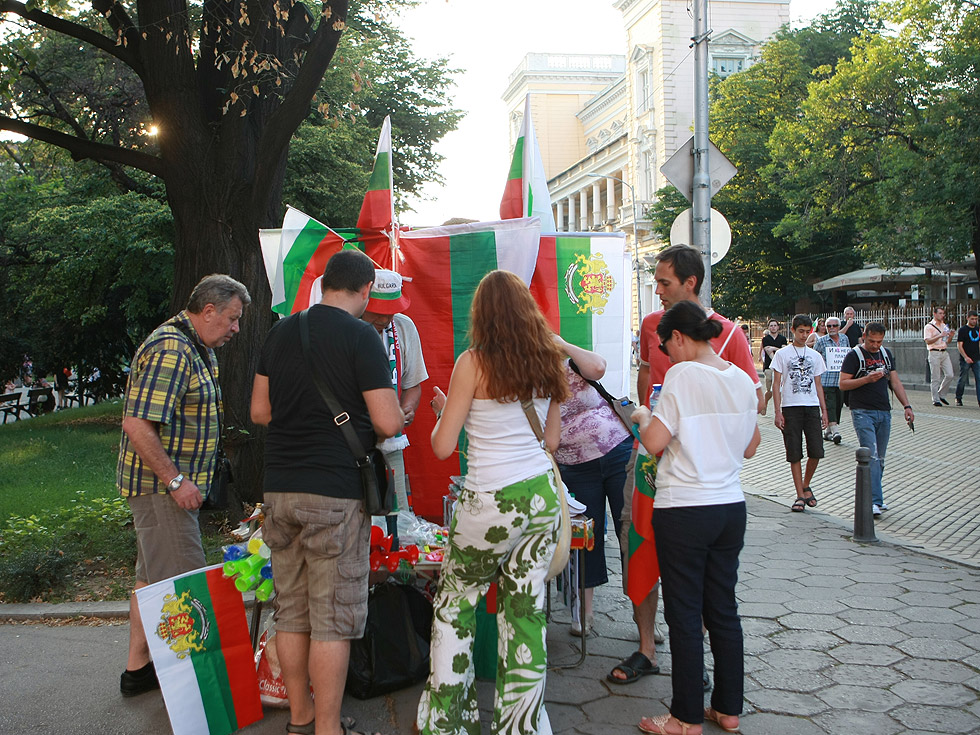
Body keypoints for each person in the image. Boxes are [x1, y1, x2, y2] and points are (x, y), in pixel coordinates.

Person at [251, 249, 403, 735]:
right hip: (334, 491)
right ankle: (329, 729)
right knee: (333, 617)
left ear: (322, 284)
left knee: (291, 611)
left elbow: (259, 411)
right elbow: (385, 420)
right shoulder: (362, 337)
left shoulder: (280, 331)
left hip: (278, 488)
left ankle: (301, 718)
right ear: (363, 291)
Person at [417, 269, 568, 735]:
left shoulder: (472, 363)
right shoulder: (548, 360)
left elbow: (442, 447)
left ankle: (447, 723)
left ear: (481, 315)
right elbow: (553, 440)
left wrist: (447, 414)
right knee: (526, 611)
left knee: (454, 604)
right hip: (539, 497)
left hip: (490, 502)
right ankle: (522, 726)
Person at [611, 244, 761, 688]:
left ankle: (691, 683)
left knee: (690, 587)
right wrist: (645, 409)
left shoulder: (729, 337)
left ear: (690, 283)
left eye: (664, 282)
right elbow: (646, 379)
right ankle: (647, 647)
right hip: (671, 474)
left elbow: (745, 417)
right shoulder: (653, 327)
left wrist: (646, 421)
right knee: (638, 547)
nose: (657, 291)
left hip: (688, 480)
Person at [630, 301, 760, 735]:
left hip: (685, 507)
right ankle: (727, 707)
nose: (667, 357)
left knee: (684, 613)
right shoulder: (740, 378)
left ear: (679, 337)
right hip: (730, 507)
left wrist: (643, 415)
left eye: (666, 348)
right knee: (722, 607)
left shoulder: (683, 376)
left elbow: (654, 441)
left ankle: (685, 718)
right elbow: (751, 446)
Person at [117, 274, 250, 697]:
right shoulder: (173, 350)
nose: (235, 328)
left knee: (150, 580)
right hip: (161, 490)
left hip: (163, 488)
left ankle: (138, 671)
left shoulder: (196, 346)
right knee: (187, 586)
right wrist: (176, 481)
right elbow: (137, 423)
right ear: (207, 310)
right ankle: (201, 693)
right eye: (231, 318)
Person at [553, 334, 632, 636]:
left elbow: (598, 367)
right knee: (584, 538)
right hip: (574, 466)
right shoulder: (525, 379)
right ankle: (583, 613)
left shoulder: (571, 363)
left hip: (618, 451)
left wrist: (563, 344)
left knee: (631, 531)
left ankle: (643, 613)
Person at [360, 269, 428, 530]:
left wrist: (407, 409)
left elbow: (413, 385)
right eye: (379, 310)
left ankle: (395, 564)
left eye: (391, 310)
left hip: (391, 442)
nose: (385, 318)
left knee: (396, 516)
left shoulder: (403, 326)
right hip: (354, 441)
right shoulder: (348, 328)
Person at [839, 323, 915, 517]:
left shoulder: (886, 354)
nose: (874, 345)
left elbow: (895, 382)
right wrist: (866, 379)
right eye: (871, 341)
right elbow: (843, 384)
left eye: (879, 341)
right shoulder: (854, 356)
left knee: (879, 459)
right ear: (864, 336)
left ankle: (875, 499)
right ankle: (872, 501)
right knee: (870, 457)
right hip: (862, 411)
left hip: (884, 411)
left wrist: (907, 406)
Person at [771, 314, 829, 513]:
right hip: (791, 407)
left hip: (811, 405)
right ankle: (799, 494)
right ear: (793, 331)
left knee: (816, 450)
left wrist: (824, 411)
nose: (804, 335)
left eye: (807, 332)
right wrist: (777, 412)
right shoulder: (782, 354)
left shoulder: (815, 356)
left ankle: (806, 485)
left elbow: (819, 384)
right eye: (801, 331)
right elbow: (776, 383)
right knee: (794, 451)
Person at [814, 316, 850, 443]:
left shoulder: (845, 339)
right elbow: (815, 357)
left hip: (840, 379)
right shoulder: (821, 341)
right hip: (826, 379)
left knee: (838, 404)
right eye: (829, 326)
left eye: (834, 326)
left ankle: (827, 431)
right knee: (829, 405)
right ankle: (835, 431)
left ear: (839, 327)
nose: (831, 328)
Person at [924, 305, 954, 406]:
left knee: (950, 374)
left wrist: (950, 336)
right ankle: (935, 399)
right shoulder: (929, 326)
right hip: (934, 352)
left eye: (943, 313)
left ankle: (941, 394)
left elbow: (947, 341)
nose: (942, 315)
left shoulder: (944, 325)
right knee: (935, 377)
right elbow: (928, 341)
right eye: (940, 313)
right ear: (935, 314)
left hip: (944, 352)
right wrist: (939, 335)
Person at [760, 318, 787, 416]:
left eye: (775, 325)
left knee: (779, 390)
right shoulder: (765, 339)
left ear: (778, 327)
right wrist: (777, 357)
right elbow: (768, 350)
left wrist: (774, 348)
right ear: (768, 327)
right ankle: (765, 402)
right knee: (769, 390)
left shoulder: (782, 338)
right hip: (769, 367)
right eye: (771, 325)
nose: (773, 327)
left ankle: (778, 411)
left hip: (781, 368)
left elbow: (784, 350)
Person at [955, 310, 980, 407]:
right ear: (967, 318)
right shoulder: (963, 330)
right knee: (963, 379)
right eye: (972, 319)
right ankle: (958, 397)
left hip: (976, 358)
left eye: (976, 319)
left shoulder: (978, 329)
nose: (974, 321)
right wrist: (965, 357)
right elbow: (959, 345)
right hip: (966, 359)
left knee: (979, 379)